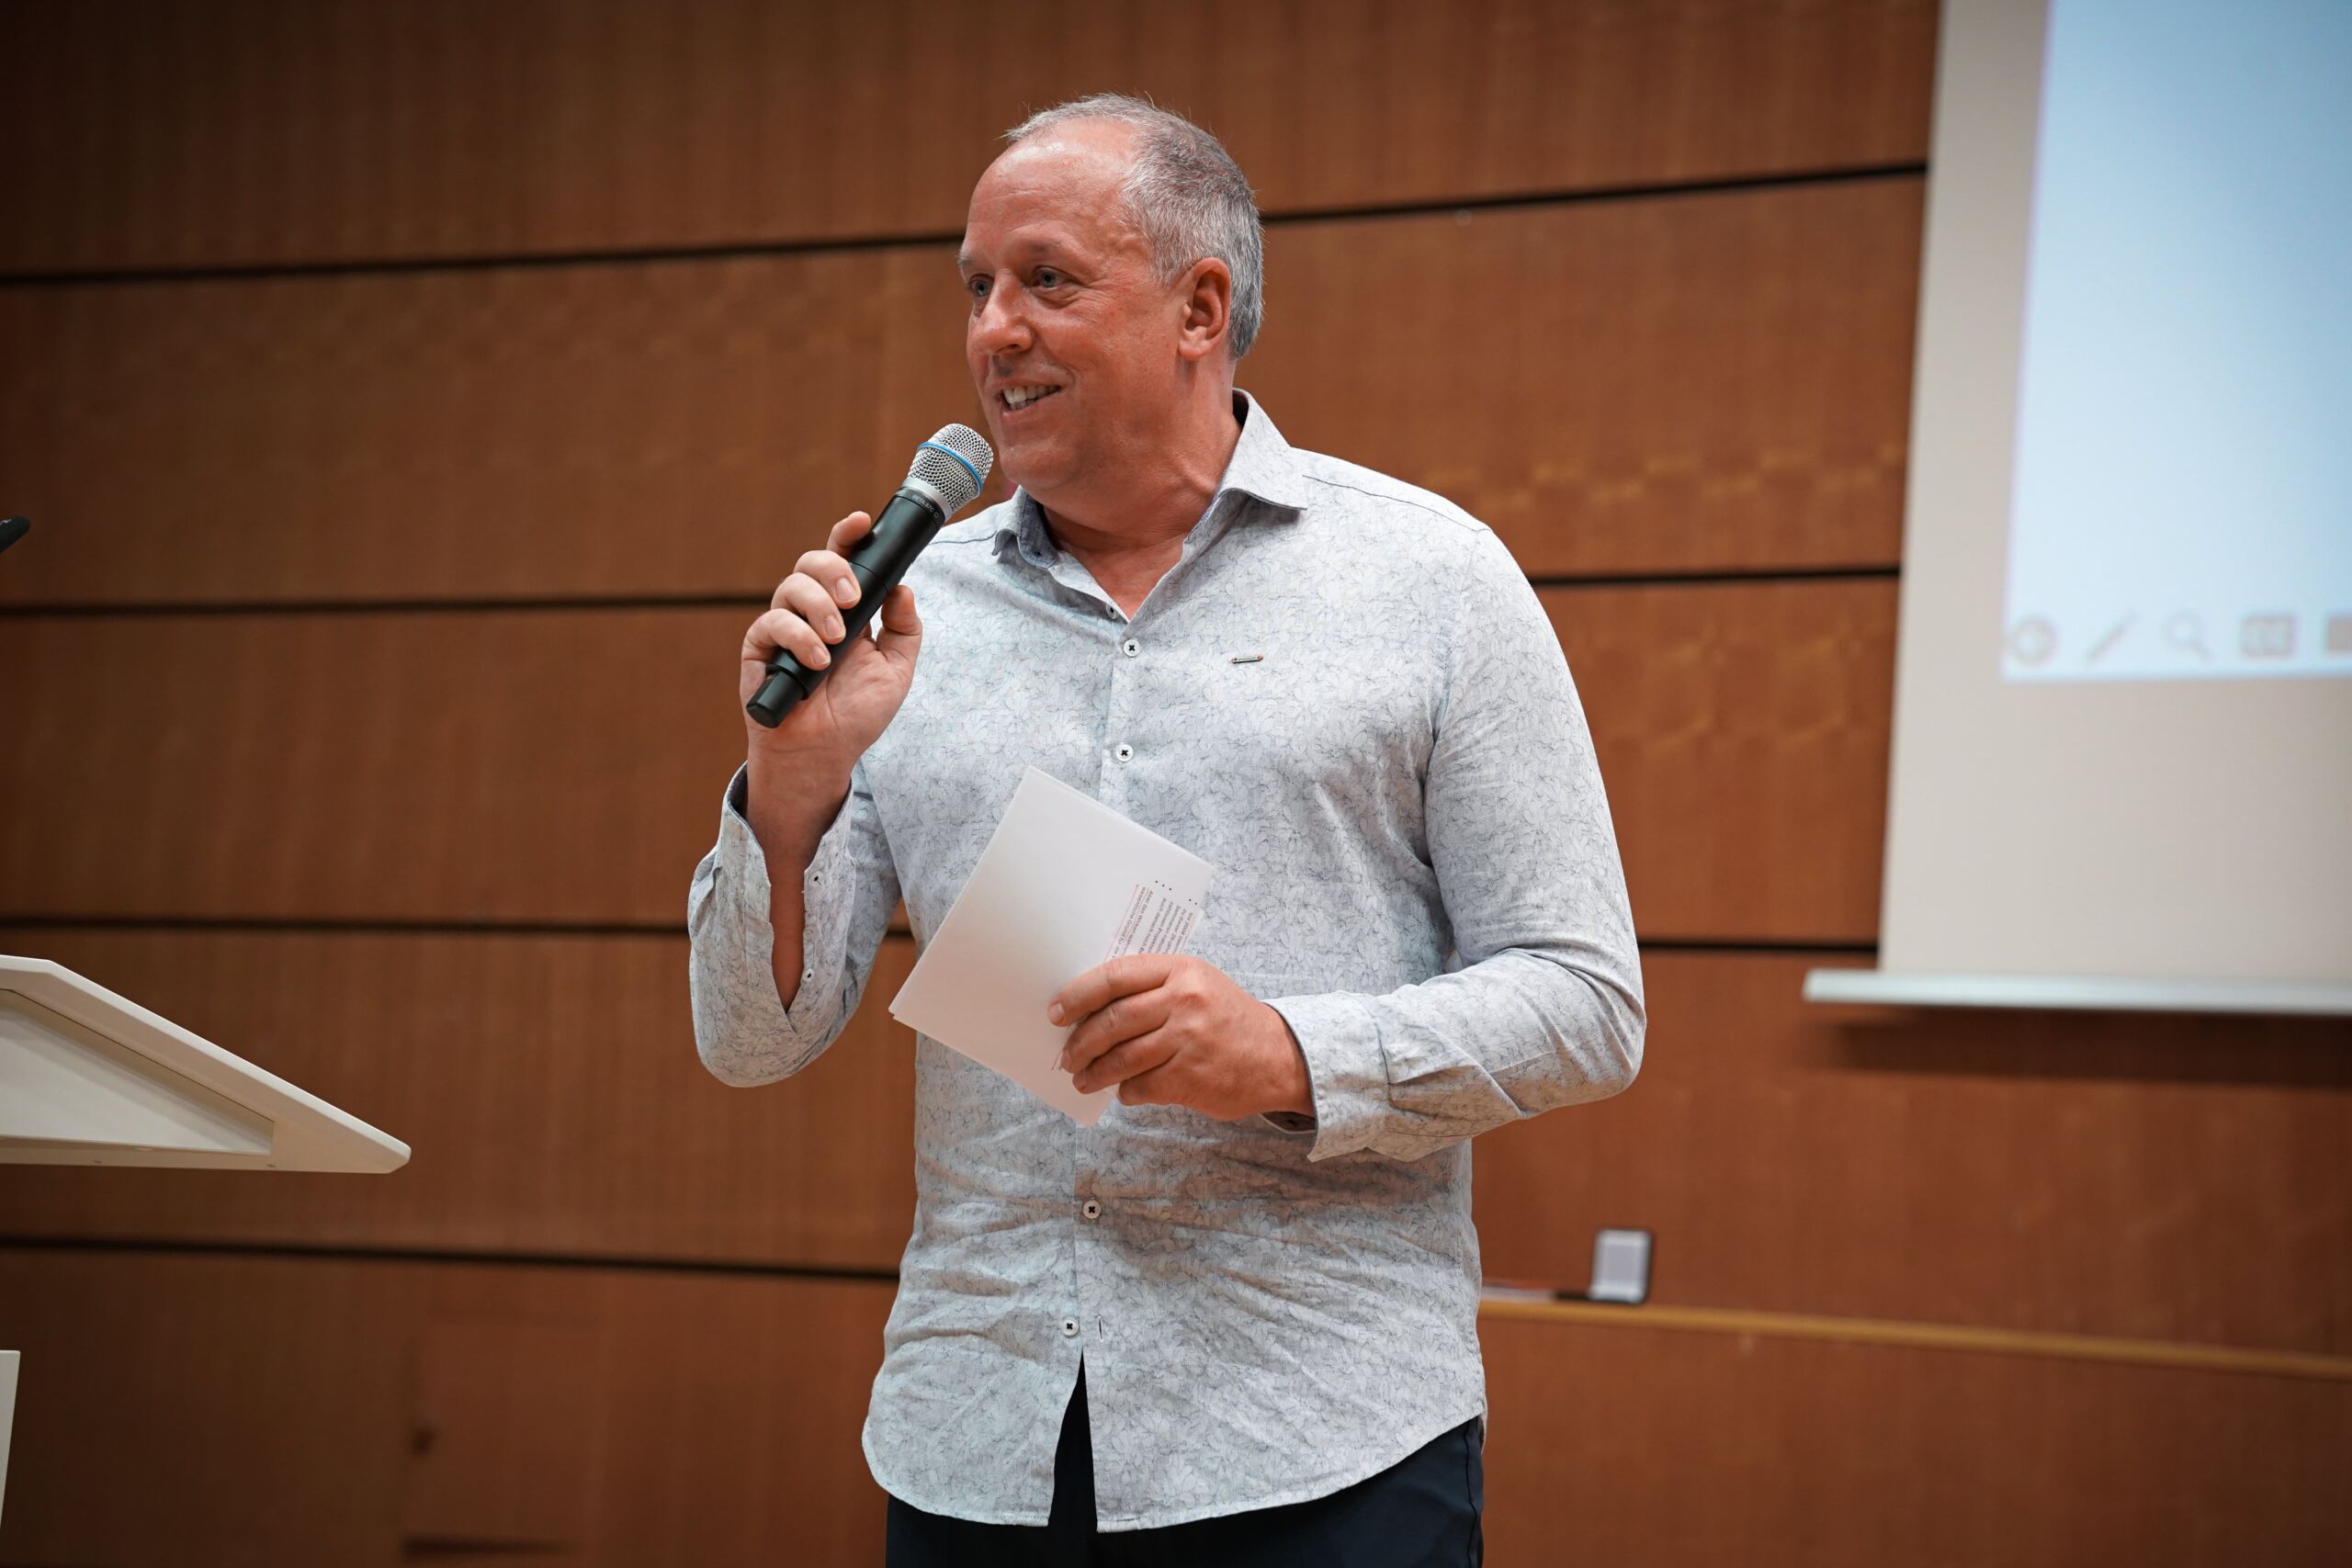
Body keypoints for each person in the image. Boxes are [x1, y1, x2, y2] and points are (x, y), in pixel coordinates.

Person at [688, 93, 1643, 1566]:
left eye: (1047, 280)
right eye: (977, 287)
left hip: (1322, 1440)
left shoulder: (1430, 580)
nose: (993, 329)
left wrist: (1290, 1058)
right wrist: (791, 787)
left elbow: (1587, 1003)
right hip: (979, 1437)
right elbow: (752, 1042)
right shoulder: (907, 619)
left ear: (1202, 308)